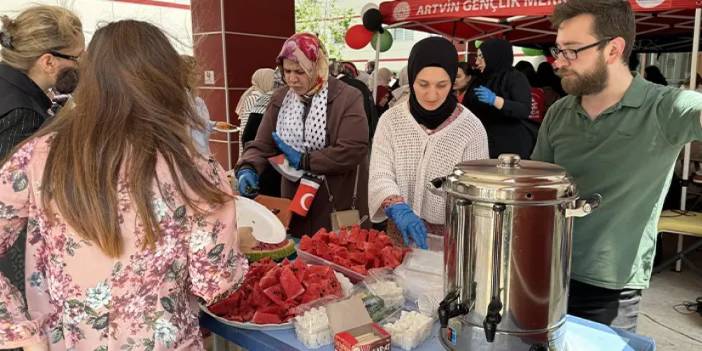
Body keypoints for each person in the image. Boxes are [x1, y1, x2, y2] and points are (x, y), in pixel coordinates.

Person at [0, 20, 248, 350]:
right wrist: (238, 243)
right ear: (168, 80)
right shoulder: (191, 166)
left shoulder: (39, 154)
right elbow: (215, 283)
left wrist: (21, 332)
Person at [532, 0, 702, 332]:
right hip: (545, 271)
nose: (558, 62)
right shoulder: (560, 112)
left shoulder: (663, 107)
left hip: (610, 288)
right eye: (558, 50)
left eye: (571, 51)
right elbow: (538, 188)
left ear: (613, 50)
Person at [235, 33, 370, 237]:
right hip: (296, 204)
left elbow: (354, 149)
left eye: (300, 71)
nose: (291, 78)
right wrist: (248, 167)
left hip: (335, 201)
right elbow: (262, 144)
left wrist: (306, 161)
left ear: (317, 68)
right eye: (287, 71)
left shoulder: (347, 97)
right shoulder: (280, 99)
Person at [0, 5, 83, 333]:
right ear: (48, 61)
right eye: (76, 58)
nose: (81, 66)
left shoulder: (17, 95)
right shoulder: (22, 114)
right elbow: (16, 215)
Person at [368, 37, 489, 249]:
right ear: (412, 79)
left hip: (451, 240)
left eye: (442, 85)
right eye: (423, 84)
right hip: (400, 232)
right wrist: (397, 207)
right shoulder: (390, 121)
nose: (432, 95)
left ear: (452, 81)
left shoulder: (471, 128)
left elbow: (476, 194)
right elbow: (381, 173)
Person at [463, 39, 534, 159]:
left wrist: (496, 100)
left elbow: (524, 110)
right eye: (477, 56)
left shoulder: (514, 77)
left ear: (494, 56)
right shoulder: (480, 79)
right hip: (482, 141)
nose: (477, 61)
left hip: (509, 144)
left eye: (481, 56)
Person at [240, 68, 285, 197]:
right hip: (272, 170)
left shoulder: (265, 98)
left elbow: (247, 136)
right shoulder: (276, 101)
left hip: (259, 164)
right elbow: (254, 137)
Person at [235, 68, 275, 157]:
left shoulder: (265, 96)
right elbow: (247, 128)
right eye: (273, 82)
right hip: (253, 147)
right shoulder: (254, 97)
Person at [336, 61, 379, 140]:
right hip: (364, 132)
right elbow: (371, 110)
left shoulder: (335, 86)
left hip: (343, 135)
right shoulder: (362, 85)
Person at [182, 54, 214, 157]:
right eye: (195, 74)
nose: (199, 77)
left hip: (198, 151)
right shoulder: (183, 98)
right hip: (192, 152)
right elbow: (194, 123)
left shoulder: (195, 99)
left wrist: (213, 125)